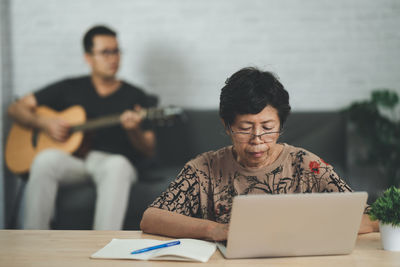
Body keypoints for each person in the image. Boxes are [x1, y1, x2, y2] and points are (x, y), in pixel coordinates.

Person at [140, 67, 379, 240]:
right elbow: (151, 218)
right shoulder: (204, 169)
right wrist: (216, 230)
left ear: (281, 125)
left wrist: (305, 227)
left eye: (267, 128)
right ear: (226, 125)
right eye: (244, 129)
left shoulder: (307, 165)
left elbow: (370, 217)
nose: (257, 140)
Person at [7, 25, 156, 230]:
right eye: (105, 52)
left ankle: (103, 246)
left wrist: (134, 130)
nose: (113, 58)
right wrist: (43, 123)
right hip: (73, 162)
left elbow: (148, 148)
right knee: (43, 160)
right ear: (88, 57)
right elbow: (16, 109)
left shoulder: (136, 95)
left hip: (111, 163)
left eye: (116, 51)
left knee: (118, 166)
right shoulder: (69, 87)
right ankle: (33, 243)